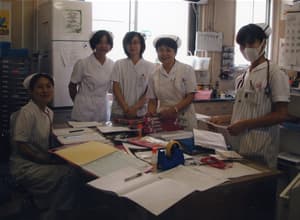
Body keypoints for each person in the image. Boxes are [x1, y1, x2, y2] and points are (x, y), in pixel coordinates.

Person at [210, 23, 290, 168]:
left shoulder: (275, 73)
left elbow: (282, 114)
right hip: (238, 148)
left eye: (251, 43)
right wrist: (224, 119)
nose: (246, 49)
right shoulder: (242, 77)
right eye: (242, 45)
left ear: (263, 43)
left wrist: (244, 125)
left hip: (261, 149)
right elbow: (247, 110)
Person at [10, 73, 87, 220]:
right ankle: (55, 213)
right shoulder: (26, 113)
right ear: (31, 92)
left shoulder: (48, 112)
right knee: (70, 173)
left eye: (48, 86)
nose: (45, 90)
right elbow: (21, 146)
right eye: (39, 87)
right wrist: (46, 160)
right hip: (25, 165)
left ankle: (47, 203)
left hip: (40, 159)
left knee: (74, 166)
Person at [147, 35, 198, 130]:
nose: (164, 53)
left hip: (184, 118)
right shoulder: (154, 74)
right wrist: (150, 114)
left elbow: (190, 96)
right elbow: (152, 100)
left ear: (175, 52)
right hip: (162, 118)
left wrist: (174, 110)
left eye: (168, 50)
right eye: (160, 50)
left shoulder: (186, 69)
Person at [69, 30, 114, 122]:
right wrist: (78, 102)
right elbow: (72, 86)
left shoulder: (112, 64)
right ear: (94, 44)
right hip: (84, 107)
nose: (103, 46)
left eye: (107, 43)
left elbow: (112, 88)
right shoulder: (82, 63)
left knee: (101, 134)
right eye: (100, 42)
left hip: (102, 107)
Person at [111, 31, 156, 119]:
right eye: (129, 43)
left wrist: (135, 108)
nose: (132, 46)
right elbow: (116, 88)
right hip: (119, 112)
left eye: (135, 43)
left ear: (141, 45)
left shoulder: (150, 66)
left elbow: (149, 91)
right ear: (125, 45)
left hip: (140, 113)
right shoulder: (119, 64)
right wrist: (126, 108)